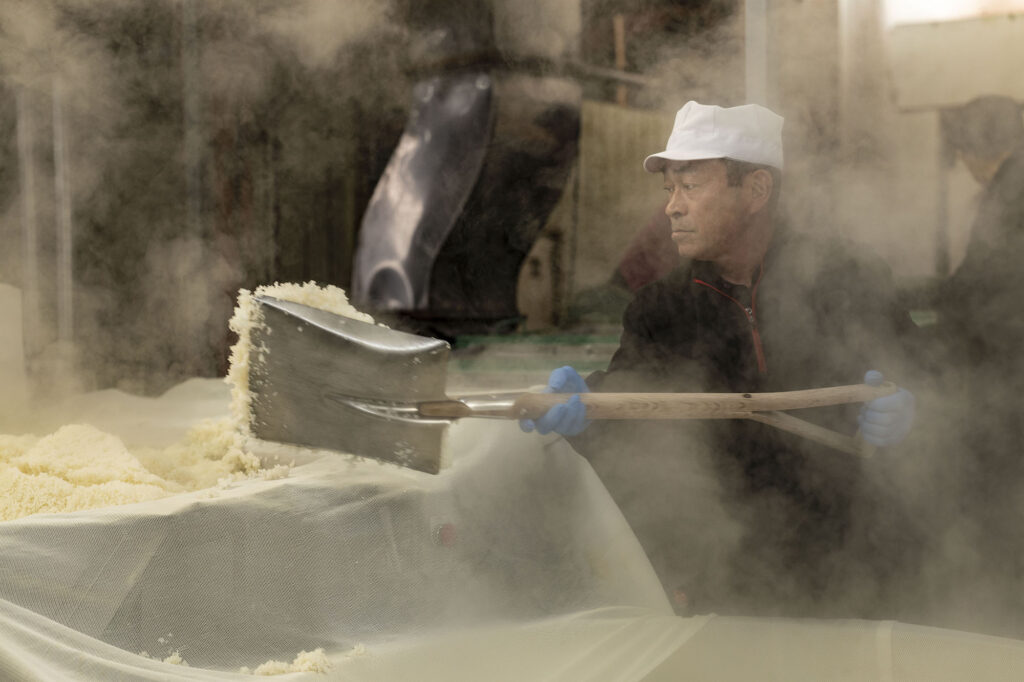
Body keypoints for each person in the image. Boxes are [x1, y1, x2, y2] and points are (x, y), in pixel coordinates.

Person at [521, 101, 918, 617]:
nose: (672, 207)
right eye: (669, 189)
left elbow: (932, 377)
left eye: (690, 186)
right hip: (732, 569)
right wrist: (588, 412)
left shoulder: (848, 278)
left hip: (861, 566)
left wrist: (913, 407)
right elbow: (636, 413)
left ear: (756, 190)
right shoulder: (660, 309)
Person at [936, 95, 1024, 631]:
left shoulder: (1010, 192)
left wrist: (908, 308)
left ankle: (999, 622)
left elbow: (979, 288)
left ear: (973, 149)